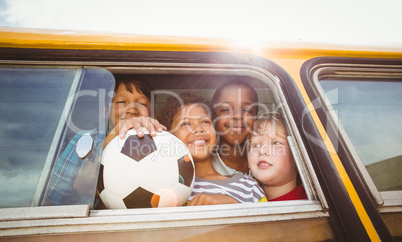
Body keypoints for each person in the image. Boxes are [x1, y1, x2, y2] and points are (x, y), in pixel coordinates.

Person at [45, 78, 165, 206]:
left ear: (153, 114)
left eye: (142, 104)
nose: (132, 109)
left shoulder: (162, 144)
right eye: (121, 102)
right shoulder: (87, 139)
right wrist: (116, 133)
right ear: (106, 111)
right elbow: (77, 188)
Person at [158, 92, 266, 205]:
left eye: (205, 122)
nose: (198, 128)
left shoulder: (249, 187)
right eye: (185, 123)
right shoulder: (165, 188)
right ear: (169, 136)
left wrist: (235, 208)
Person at [246, 113, 307, 201]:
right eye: (255, 145)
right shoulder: (242, 200)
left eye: (275, 143)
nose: (262, 151)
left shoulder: (317, 200)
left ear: (298, 156)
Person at [211, 80, 259, 175]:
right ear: (214, 117)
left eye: (246, 110)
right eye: (226, 109)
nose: (237, 116)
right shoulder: (203, 168)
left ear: (255, 117)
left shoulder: (267, 160)